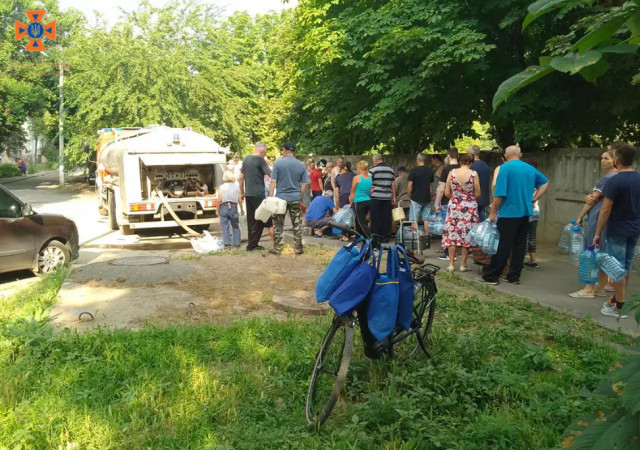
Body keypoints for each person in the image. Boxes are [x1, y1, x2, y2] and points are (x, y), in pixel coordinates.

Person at [477, 145, 549, 285]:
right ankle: (514, 276)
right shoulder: (529, 169)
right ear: (520, 155)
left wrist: (493, 212)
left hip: (508, 213)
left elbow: (499, 193)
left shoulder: (505, 168)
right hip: (525, 213)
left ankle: (492, 275)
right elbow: (545, 182)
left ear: (505, 155)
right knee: (519, 246)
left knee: (503, 245)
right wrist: (534, 198)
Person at [594, 142, 640, 318]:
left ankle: (620, 307)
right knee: (625, 266)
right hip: (634, 229)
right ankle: (616, 300)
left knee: (616, 268)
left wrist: (598, 232)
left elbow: (605, 210)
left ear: (618, 159)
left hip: (617, 230)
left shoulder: (614, 181)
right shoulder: (638, 177)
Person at [569, 149, 617, 298]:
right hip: (610, 221)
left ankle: (589, 288)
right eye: (602, 158)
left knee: (591, 252)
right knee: (602, 252)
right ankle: (601, 287)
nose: (602, 161)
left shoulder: (608, 178)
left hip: (597, 219)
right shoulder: (619, 178)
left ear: (616, 160)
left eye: (607, 158)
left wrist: (579, 216)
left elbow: (592, 200)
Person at [269, 142, 310, 256]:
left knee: (278, 224)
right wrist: (300, 196)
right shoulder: (301, 165)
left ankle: (277, 249)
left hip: (280, 198)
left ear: (285, 150)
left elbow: (273, 182)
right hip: (295, 198)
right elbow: (304, 184)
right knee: (296, 224)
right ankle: (298, 248)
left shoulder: (278, 164)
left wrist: (270, 197)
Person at [441, 154, 480, 272]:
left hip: (454, 206)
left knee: (452, 234)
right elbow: (478, 193)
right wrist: (468, 198)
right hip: (469, 207)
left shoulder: (452, 172)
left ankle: (451, 264)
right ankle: (463, 265)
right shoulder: (474, 174)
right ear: (471, 163)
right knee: (466, 235)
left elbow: (447, 192)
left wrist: (455, 197)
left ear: (460, 161)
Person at [239, 142, 272, 251]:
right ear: (262, 150)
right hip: (258, 194)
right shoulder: (260, 160)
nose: (264, 155)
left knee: (251, 220)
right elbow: (270, 174)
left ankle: (252, 244)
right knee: (263, 218)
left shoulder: (246, 159)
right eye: (265, 153)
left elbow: (241, 177)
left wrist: (241, 192)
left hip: (248, 194)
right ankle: (252, 245)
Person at [435, 148, 461, 261]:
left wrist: (437, 203)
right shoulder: (463, 169)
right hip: (462, 203)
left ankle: (448, 253)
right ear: (458, 156)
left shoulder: (446, 170)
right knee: (460, 227)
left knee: (449, 228)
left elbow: (442, 189)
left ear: (448, 156)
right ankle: (462, 251)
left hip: (448, 202)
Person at [369, 154, 396, 242]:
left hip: (376, 197)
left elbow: (368, 182)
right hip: (387, 197)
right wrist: (394, 197)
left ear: (375, 160)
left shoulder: (373, 170)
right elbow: (393, 185)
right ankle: (386, 237)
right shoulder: (391, 170)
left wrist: (370, 190)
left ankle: (376, 236)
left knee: (376, 217)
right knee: (386, 217)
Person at [408, 153, 434, 235]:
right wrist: (430, 196)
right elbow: (430, 187)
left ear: (417, 161)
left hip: (415, 198)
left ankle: (414, 237)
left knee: (414, 219)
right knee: (426, 219)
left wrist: (410, 195)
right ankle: (427, 237)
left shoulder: (414, 171)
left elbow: (410, 185)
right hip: (426, 198)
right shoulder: (429, 171)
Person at [523, 157, 541, 268]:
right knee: (532, 236)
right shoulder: (538, 178)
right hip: (535, 212)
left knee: (523, 236)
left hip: (527, 211)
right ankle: (533, 259)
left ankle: (520, 260)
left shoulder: (528, 178)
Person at [219, 171, 242, 249]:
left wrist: (217, 209)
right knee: (235, 226)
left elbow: (219, 199)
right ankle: (237, 243)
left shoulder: (221, 187)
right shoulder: (237, 186)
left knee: (225, 226)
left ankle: (227, 244)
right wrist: (241, 209)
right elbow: (239, 199)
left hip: (224, 207)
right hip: (233, 207)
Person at [349, 160, 372, 239]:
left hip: (359, 201)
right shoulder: (369, 178)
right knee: (358, 221)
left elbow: (352, 191)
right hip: (367, 200)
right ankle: (358, 238)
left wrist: (350, 201)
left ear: (359, 168)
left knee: (361, 222)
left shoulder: (357, 178)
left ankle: (371, 239)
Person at [468, 145, 490, 221]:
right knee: (482, 216)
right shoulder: (485, 165)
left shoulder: (470, 166)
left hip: (473, 197)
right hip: (484, 196)